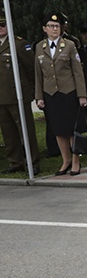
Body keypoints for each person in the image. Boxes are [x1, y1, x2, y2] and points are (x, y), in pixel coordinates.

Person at [35, 13, 87, 175]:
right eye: (51, 26)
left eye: (57, 26)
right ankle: (65, 160)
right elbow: (38, 73)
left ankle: (75, 160)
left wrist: (82, 95)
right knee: (58, 129)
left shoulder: (70, 45)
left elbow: (78, 72)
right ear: (45, 29)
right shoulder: (39, 47)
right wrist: (39, 96)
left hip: (68, 92)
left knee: (72, 129)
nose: (54, 29)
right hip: (51, 93)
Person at [0, 14, 39, 174]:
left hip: (17, 95)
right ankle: (15, 162)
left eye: (2, 25)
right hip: (1, 98)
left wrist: (31, 90)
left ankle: (33, 161)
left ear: (8, 25)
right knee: (8, 133)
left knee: (26, 130)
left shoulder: (18, 44)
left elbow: (31, 69)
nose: (0, 28)